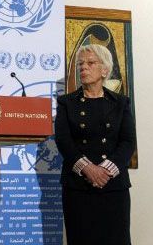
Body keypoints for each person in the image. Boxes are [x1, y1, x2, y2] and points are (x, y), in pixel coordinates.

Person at [55, 44, 136, 245]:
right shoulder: (67, 102)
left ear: (105, 70)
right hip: (79, 187)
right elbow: (64, 141)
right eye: (81, 64)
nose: (83, 67)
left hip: (113, 187)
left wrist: (104, 171)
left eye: (90, 63)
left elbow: (128, 141)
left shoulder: (120, 102)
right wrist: (88, 169)